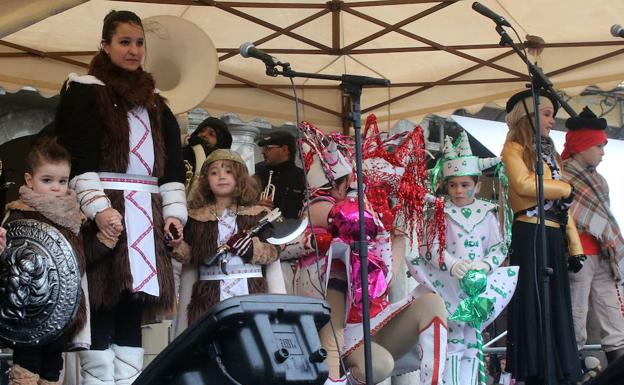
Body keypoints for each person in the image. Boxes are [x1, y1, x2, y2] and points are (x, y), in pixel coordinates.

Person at [53, 10, 187, 384]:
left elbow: (173, 168)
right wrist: (99, 210)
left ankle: (128, 381)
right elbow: (76, 157)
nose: (133, 50)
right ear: (105, 45)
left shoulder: (158, 103)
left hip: (147, 212)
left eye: (139, 42)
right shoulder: (85, 90)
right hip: (106, 208)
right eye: (124, 42)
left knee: (132, 307)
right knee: (102, 303)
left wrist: (174, 215)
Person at [280, 125, 448, 385]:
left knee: (432, 302)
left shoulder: (377, 226)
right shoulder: (320, 213)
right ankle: (332, 379)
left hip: (370, 323)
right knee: (379, 365)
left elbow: (385, 280)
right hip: (324, 333)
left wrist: (396, 231)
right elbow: (339, 221)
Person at [407, 131, 518, 385]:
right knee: (452, 339)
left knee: (472, 340)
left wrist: (486, 264)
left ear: (477, 186)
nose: (458, 190)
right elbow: (429, 246)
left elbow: (499, 246)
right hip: (446, 284)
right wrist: (452, 263)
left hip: (478, 286)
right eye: (453, 185)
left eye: (465, 185)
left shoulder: (488, 214)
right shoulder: (439, 213)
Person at [502, 89, 584, 385]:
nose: (552, 121)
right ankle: (537, 369)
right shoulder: (513, 147)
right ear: (529, 115)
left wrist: (574, 247)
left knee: (556, 302)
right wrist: (563, 188)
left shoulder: (550, 153)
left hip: (552, 234)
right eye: (547, 114)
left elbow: (563, 208)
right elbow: (524, 184)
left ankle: (558, 368)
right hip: (530, 232)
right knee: (535, 300)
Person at [3, 137, 91, 385]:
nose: (56, 188)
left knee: (53, 366)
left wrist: (105, 240)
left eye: (62, 181)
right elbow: (9, 261)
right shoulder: (19, 214)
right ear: (29, 180)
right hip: (27, 309)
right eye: (47, 180)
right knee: (27, 364)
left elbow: (82, 260)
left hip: (62, 309)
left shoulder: (75, 219)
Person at [173, 149, 279, 329]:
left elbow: (275, 251)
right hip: (209, 294)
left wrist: (254, 250)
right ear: (206, 180)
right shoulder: (195, 218)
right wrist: (175, 244)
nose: (221, 177)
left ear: (240, 177)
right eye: (214, 173)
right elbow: (191, 256)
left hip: (251, 292)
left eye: (228, 171)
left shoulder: (257, 214)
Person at [561, 107, 624, 364]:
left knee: (613, 314)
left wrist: (608, 237)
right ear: (583, 145)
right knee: (577, 314)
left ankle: (617, 367)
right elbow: (569, 214)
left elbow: (603, 218)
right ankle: (573, 370)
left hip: (604, 254)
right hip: (578, 254)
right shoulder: (562, 175)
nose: (602, 152)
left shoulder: (600, 180)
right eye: (599, 146)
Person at [255, 130, 305, 219]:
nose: (263, 152)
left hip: (292, 230)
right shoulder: (257, 171)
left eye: (268, 148)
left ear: (285, 149)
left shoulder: (302, 177)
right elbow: (242, 203)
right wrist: (255, 206)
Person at [183, 116, 232, 192]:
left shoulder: (223, 165)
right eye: (202, 131)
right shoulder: (183, 152)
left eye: (211, 134)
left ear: (220, 142)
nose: (204, 134)